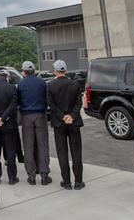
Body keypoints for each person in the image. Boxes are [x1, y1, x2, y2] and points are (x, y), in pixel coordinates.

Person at [47, 60, 85, 190]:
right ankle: (79, 181)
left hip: (59, 123)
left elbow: (51, 105)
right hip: (74, 123)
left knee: (62, 153)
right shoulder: (74, 84)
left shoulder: (51, 85)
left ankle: (67, 181)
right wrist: (72, 116)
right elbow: (79, 103)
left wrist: (63, 116)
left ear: (55, 71)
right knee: (76, 152)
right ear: (66, 69)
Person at [16, 61, 52, 185]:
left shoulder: (20, 83)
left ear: (24, 72)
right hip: (40, 115)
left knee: (28, 146)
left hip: (26, 116)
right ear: (34, 71)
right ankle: (44, 174)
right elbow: (47, 98)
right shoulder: (42, 83)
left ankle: (31, 175)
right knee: (43, 145)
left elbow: (17, 100)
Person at [0, 70, 19, 185]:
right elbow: (13, 105)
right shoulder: (11, 88)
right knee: (10, 150)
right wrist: (3, 118)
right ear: (7, 77)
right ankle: (12, 177)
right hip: (9, 124)